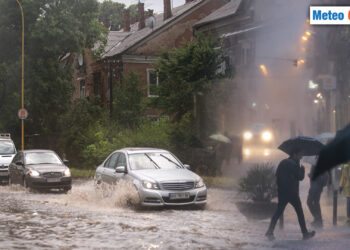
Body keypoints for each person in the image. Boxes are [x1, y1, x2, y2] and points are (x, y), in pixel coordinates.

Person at [265, 148, 315, 240]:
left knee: (278, 211)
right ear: (294, 154)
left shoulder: (283, 162)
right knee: (300, 213)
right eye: (300, 155)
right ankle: (305, 233)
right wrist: (302, 169)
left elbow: (277, 176)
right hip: (292, 193)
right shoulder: (294, 164)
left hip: (282, 192)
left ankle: (269, 231)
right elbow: (300, 177)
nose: (301, 157)